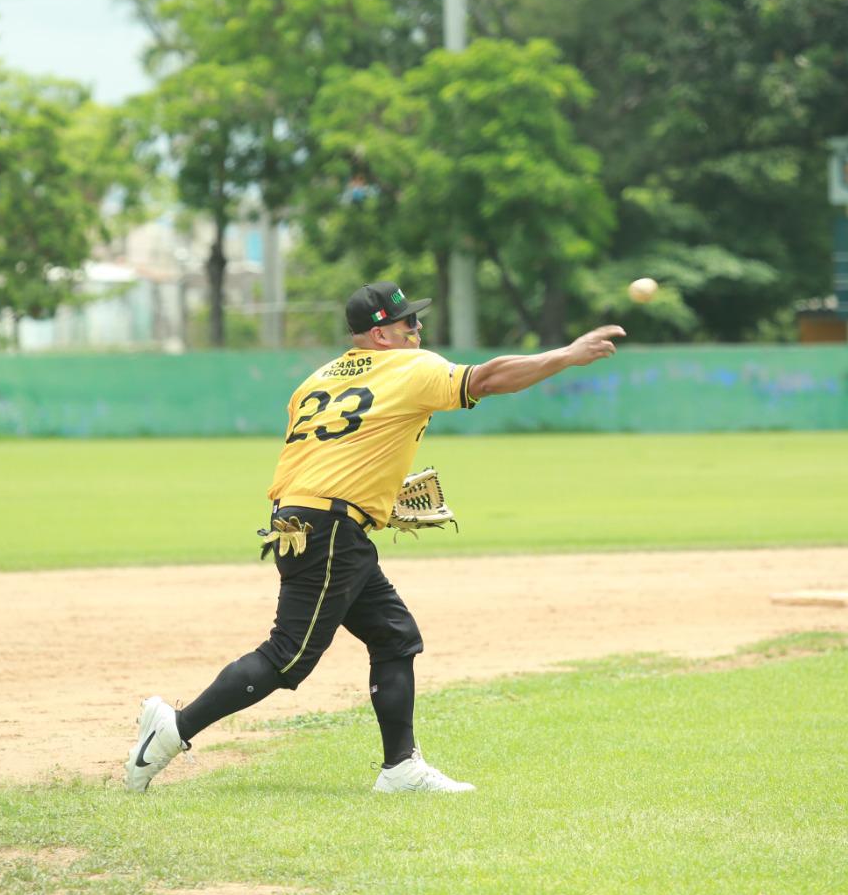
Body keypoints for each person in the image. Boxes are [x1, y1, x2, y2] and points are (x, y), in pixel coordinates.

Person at [125, 280, 625, 794]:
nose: (419, 329)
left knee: (394, 635)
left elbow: (329, 455)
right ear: (382, 334)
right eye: (409, 322)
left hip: (305, 518)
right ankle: (173, 730)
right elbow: (489, 378)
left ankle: (401, 768)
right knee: (288, 655)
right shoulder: (413, 366)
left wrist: (373, 501)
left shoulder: (315, 380)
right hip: (330, 529)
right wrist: (566, 354)